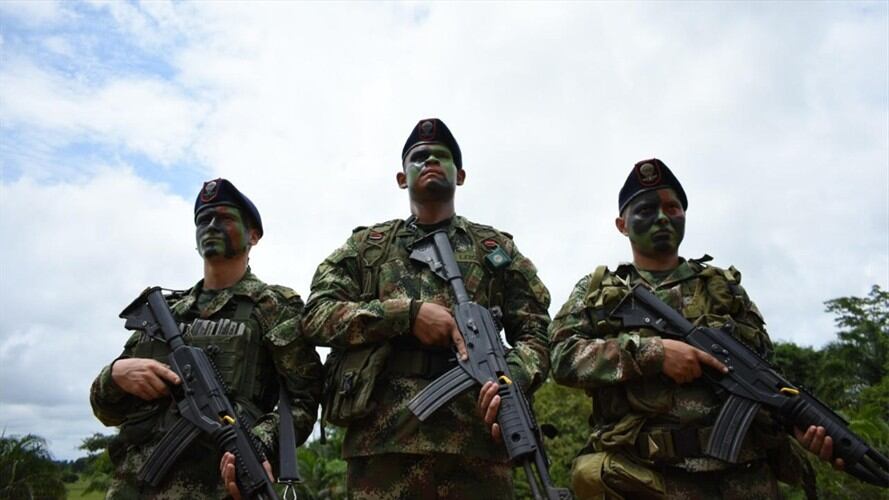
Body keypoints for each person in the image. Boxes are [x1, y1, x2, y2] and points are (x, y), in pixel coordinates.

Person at [549, 159, 840, 499]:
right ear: (621, 225)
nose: (661, 216)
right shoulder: (599, 292)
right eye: (646, 209)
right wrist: (653, 354)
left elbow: (765, 374)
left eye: (672, 208)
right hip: (646, 479)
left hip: (744, 480)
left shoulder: (724, 289)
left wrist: (796, 424)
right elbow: (562, 358)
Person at [303, 118, 552, 499]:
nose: (430, 161)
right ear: (402, 178)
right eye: (419, 157)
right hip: (382, 448)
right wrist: (405, 315)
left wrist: (511, 377)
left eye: (442, 156)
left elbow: (536, 332)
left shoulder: (496, 250)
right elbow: (318, 315)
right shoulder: (368, 248)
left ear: (461, 175)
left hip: (477, 445)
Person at [90, 178, 322, 499]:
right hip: (135, 485)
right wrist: (114, 376)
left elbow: (304, 401)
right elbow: (107, 411)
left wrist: (259, 443)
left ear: (253, 235)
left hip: (221, 485)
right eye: (203, 220)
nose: (211, 226)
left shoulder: (274, 307)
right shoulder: (164, 313)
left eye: (225, 219)